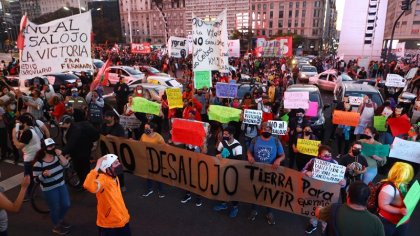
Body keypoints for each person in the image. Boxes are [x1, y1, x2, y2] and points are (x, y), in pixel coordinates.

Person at [302, 145, 346, 234]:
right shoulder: (313, 161)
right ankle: (313, 224)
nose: (328, 157)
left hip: (328, 192)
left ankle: (325, 227)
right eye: (325, 155)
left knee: (327, 211)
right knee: (314, 208)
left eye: (329, 155)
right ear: (319, 155)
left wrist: (343, 183)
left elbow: (341, 180)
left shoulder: (335, 163)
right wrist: (307, 172)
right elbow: (302, 171)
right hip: (314, 190)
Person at [247, 122, 285, 224]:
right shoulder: (255, 140)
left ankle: (269, 212)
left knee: (269, 191)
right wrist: (250, 156)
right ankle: (254, 210)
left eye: (269, 129)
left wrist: (278, 160)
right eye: (265, 129)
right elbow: (249, 151)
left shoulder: (276, 141)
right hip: (256, 170)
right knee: (255, 190)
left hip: (270, 172)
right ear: (261, 130)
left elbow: (282, 155)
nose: (267, 131)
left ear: (271, 131)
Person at [83, 154, 131, 236]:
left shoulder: (115, 177)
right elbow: (88, 185)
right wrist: (96, 167)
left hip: (123, 219)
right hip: (109, 224)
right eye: (115, 163)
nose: (119, 164)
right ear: (107, 168)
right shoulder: (102, 180)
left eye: (118, 162)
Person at [316, 181, 385, 236]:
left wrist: (319, 207)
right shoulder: (376, 222)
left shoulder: (333, 209)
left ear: (348, 195)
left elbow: (318, 213)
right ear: (367, 199)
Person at [33, 138, 71, 235]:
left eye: (53, 145)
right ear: (44, 149)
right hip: (49, 189)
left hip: (61, 184)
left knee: (66, 204)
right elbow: (35, 180)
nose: (52, 148)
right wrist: (43, 175)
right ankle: (56, 226)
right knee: (54, 208)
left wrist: (60, 154)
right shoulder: (39, 163)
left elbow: (66, 165)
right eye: (50, 146)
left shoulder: (57, 157)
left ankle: (60, 219)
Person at [61, 109, 99, 190]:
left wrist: (62, 153)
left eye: (62, 124)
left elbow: (71, 142)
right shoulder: (75, 127)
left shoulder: (75, 129)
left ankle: (86, 184)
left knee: (83, 168)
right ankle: (84, 182)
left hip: (82, 151)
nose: (61, 126)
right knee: (81, 167)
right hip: (81, 150)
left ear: (68, 123)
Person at [213, 126, 243, 218]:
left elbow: (239, 161)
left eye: (226, 134)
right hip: (223, 168)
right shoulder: (222, 142)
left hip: (233, 171)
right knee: (222, 186)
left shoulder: (238, 146)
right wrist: (218, 155)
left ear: (231, 135)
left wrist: (226, 158)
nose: (224, 135)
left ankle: (235, 207)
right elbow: (216, 152)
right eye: (224, 134)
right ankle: (223, 203)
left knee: (232, 189)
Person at [378, 162, 414, 236]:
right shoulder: (389, 188)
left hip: (401, 220)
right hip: (389, 222)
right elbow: (382, 205)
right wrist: (399, 210)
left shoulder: (403, 184)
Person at [12, 114, 41, 198]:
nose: (16, 125)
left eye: (18, 123)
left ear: (24, 123)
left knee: (28, 176)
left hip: (30, 157)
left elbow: (18, 146)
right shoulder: (30, 129)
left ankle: (29, 194)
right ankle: (31, 191)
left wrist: (13, 135)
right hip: (33, 155)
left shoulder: (27, 133)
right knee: (31, 175)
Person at [100, 110, 127, 192]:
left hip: (116, 153)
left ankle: (121, 185)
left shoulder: (119, 127)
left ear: (113, 118)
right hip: (105, 152)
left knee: (118, 170)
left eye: (108, 117)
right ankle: (110, 184)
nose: (106, 118)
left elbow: (122, 139)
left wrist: (112, 137)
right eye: (105, 117)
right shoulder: (103, 126)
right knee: (107, 170)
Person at [140, 122, 165, 198]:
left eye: (147, 128)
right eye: (145, 128)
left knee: (157, 175)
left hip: (156, 159)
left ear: (152, 129)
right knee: (148, 174)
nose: (145, 130)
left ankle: (160, 190)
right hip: (147, 158)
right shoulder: (143, 135)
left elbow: (164, 147)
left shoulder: (158, 137)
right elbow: (139, 144)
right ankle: (149, 189)